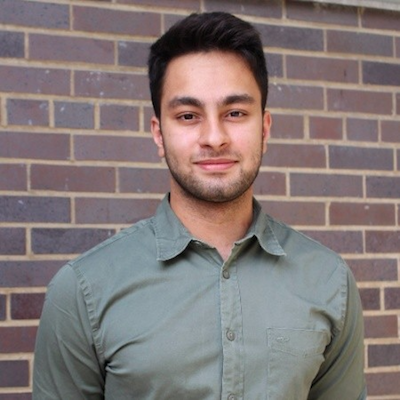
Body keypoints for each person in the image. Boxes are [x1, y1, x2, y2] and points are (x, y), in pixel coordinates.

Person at [33, 12, 367, 400]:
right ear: (159, 134)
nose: (214, 137)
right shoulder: (83, 291)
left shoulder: (329, 281)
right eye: (188, 116)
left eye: (235, 113)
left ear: (264, 128)